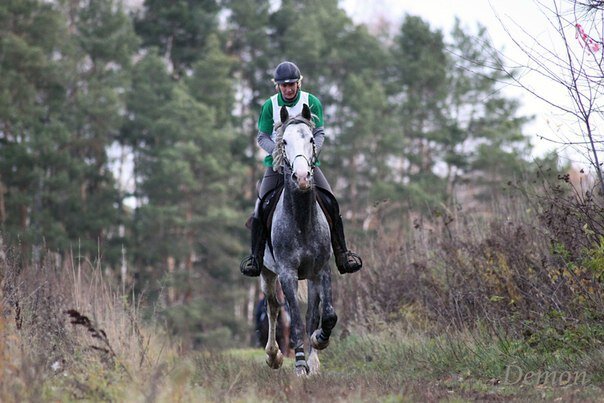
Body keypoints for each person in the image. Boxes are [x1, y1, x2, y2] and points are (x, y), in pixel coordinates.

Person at [240, 61, 362, 277]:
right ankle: (255, 258)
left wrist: (310, 156)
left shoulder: (311, 102)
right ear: (277, 86)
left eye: (292, 84)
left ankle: (343, 254)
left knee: (331, 201)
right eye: (283, 85)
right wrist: (277, 153)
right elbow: (262, 136)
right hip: (277, 166)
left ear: (299, 83)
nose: (288, 89)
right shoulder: (270, 106)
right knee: (260, 207)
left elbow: (320, 133)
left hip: (307, 164)